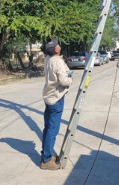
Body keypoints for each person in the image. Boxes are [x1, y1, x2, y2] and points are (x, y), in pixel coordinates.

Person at [39, 38, 73, 170]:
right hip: (56, 98)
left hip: (48, 97)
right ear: (57, 50)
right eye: (57, 44)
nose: (59, 45)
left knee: (47, 128)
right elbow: (64, 81)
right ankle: (46, 161)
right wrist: (70, 79)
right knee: (52, 130)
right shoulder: (57, 61)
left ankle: (45, 155)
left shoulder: (47, 59)